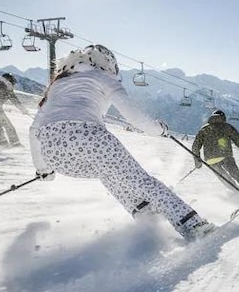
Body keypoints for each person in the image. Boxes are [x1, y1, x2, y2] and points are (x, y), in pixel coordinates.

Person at [28, 44, 216, 240]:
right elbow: (133, 116)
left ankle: (145, 217)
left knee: (108, 172)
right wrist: (158, 129)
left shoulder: (58, 84)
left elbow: (34, 130)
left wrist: (43, 168)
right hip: (89, 137)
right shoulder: (103, 78)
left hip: (56, 155)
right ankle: (193, 226)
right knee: (143, 182)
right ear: (108, 64)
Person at [191, 110, 239, 197]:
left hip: (211, 160)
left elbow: (195, 147)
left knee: (224, 178)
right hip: (225, 156)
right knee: (236, 174)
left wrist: (198, 162)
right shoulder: (227, 127)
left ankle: (237, 195)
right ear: (223, 117)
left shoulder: (203, 129)